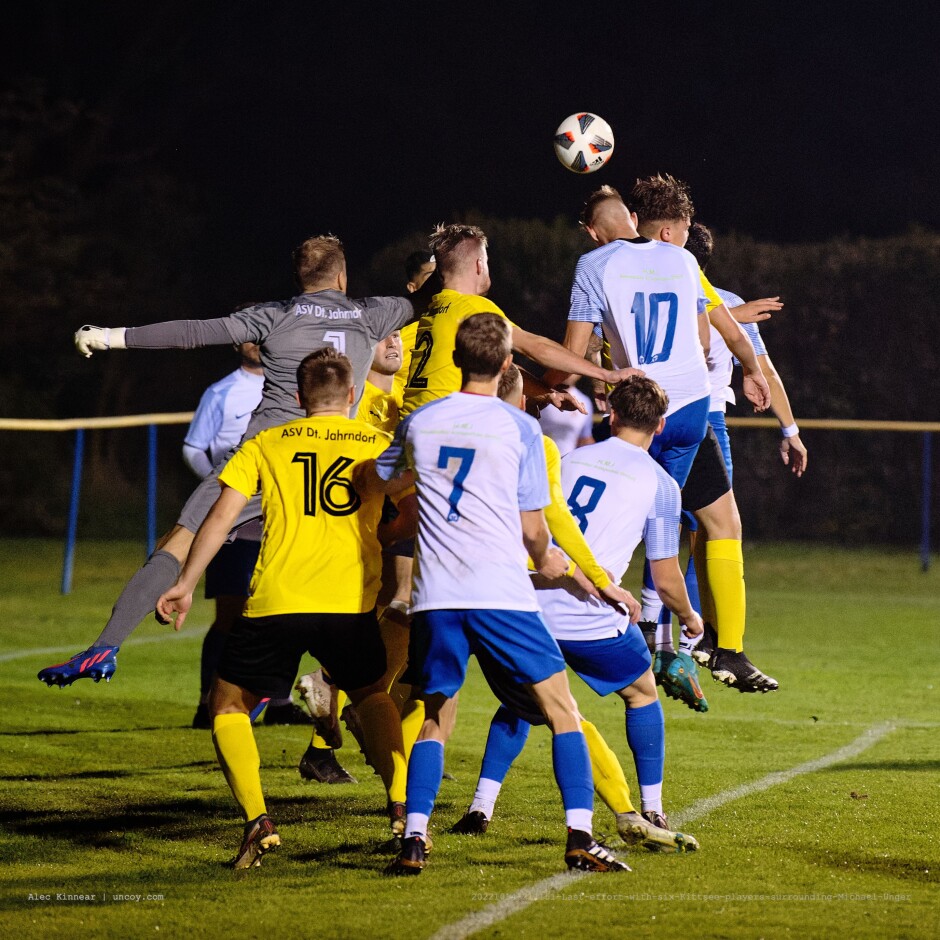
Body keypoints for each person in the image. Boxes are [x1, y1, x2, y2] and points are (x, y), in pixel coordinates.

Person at [39, 235, 418, 688]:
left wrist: (109, 336)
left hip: (265, 463)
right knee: (374, 575)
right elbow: (434, 299)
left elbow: (191, 333)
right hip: (341, 471)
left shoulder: (275, 315)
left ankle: (105, 646)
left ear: (299, 279)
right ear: (342, 276)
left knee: (178, 542)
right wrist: (427, 270)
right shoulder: (373, 313)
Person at [358, 314, 629, 876]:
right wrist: (576, 575)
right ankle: (580, 836)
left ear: (456, 358)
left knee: (434, 715)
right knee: (562, 712)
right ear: (507, 362)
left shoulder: (422, 420)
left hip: (436, 594)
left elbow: (378, 479)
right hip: (500, 592)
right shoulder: (521, 430)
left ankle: (414, 839)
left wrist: (414, 482)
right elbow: (534, 533)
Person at [156, 347, 409, 869]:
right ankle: (402, 807)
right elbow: (410, 517)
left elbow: (222, 518)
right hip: (349, 600)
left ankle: (257, 822)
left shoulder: (267, 442)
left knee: (227, 704)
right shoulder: (380, 444)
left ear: (296, 398)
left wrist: (185, 582)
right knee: (371, 695)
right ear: (354, 395)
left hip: (278, 599)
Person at [450, 368, 698, 853]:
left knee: (525, 697)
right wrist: (690, 618)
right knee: (642, 691)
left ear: (610, 414)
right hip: (590, 612)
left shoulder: (569, 458)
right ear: (661, 425)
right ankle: (652, 806)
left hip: (527, 603)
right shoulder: (662, 484)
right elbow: (666, 578)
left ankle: (481, 805)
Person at [627, 178, 782, 693]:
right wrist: (747, 356)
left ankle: (686, 641)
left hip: (632, 413)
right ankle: (685, 644)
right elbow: (701, 334)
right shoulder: (679, 266)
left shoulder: (603, 268)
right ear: (672, 231)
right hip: (686, 413)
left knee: (680, 527)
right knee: (702, 526)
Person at [400, 223, 639, 420]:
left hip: (413, 422)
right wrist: (604, 375)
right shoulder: (472, 307)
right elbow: (536, 347)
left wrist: (547, 394)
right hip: (444, 424)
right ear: (479, 265)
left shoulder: (434, 309)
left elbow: (502, 367)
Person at [536, 382, 595, 455]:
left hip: (566, 462)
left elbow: (585, 438)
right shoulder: (537, 393)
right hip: (539, 459)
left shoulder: (585, 401)